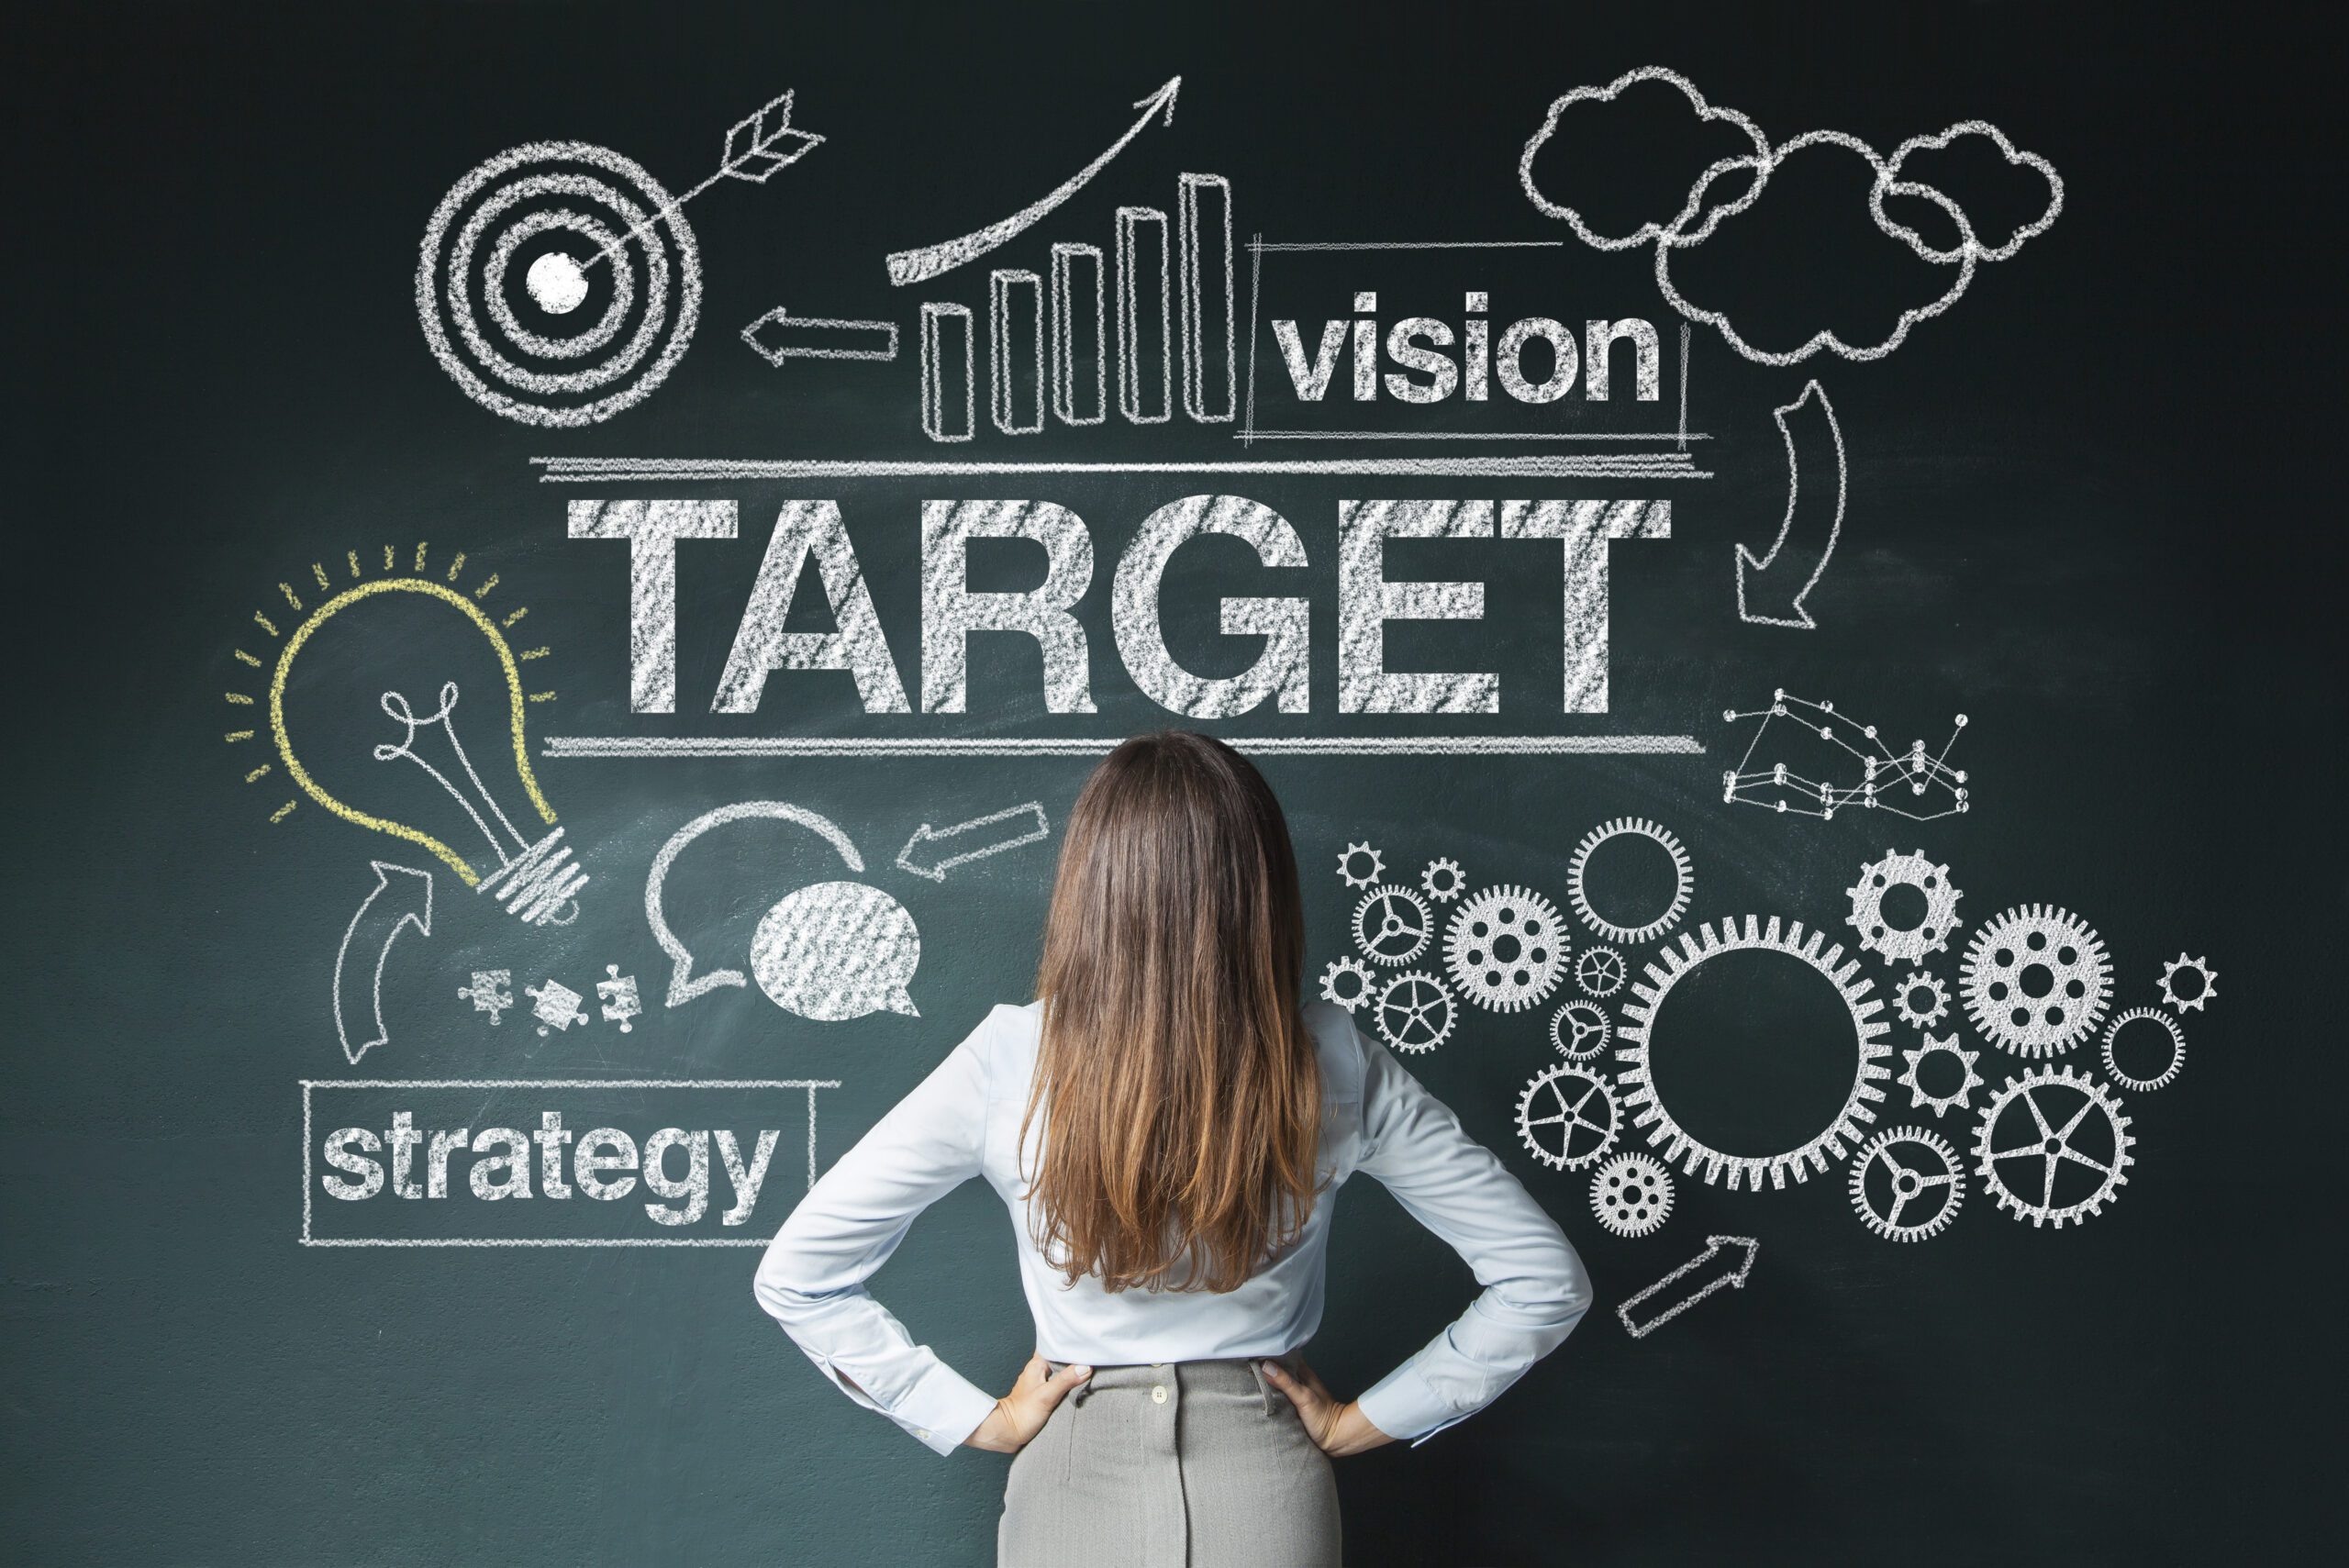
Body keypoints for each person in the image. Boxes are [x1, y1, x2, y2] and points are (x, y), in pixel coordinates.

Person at [753, 731, 1593, 1568]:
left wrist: (974, 1416)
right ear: (1262, 890)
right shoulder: (1335, 1061)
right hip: (1266, 1484)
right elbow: (1544, 1283)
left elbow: (797, 1274)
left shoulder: (1008, 1060)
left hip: (1069, 1481)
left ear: (1090, 886)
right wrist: (1365, 1419)